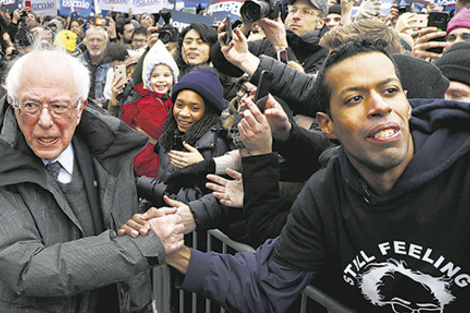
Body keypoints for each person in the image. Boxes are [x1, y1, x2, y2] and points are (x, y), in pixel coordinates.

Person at [130, 37, 470, 312]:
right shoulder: (327, 191)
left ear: (408, 105)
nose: (380, 105)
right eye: (354, 98)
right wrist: (168, 249)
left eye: (390, 90)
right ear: (327, 126)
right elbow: (266, 283)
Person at [0, 48, 185, 312]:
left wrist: (140, 225)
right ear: (13, 103)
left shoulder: (110, 150)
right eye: (30, 105)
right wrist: (142, 245)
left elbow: (121, 231)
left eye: (58, 106)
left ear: (80, 107)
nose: (44, 120)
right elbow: (27, 268)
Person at [136, 68, 232, 208]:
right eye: (179, 105)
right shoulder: (170, 135)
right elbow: (161, 182)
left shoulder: (216, 144)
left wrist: (142, 185)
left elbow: (200, 202)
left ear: (208, 112)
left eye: (194, 108)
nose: (183, 113)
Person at [211, 0, 329, 76]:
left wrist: (281, 48)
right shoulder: (269, 43)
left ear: (320, 22)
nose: (296, 16)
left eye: (306, 12)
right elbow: (223, 63)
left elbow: (305, 92)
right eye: (293, 10)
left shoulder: (328, 51)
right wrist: (245, 26)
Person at [121, 47, 180, 177]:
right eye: (155, 76)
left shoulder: (166, 100)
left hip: (155, 152)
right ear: (147, 80)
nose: (161, 80)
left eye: (166, 75)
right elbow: (160, 130)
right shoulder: (146, 102)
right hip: (145, 157)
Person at [77, 26, 110, 107]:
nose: (95, 44)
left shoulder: (112, 65)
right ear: (85, 42)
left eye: (99, 40)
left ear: (105, 43)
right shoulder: (77, 63)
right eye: (91, 40)